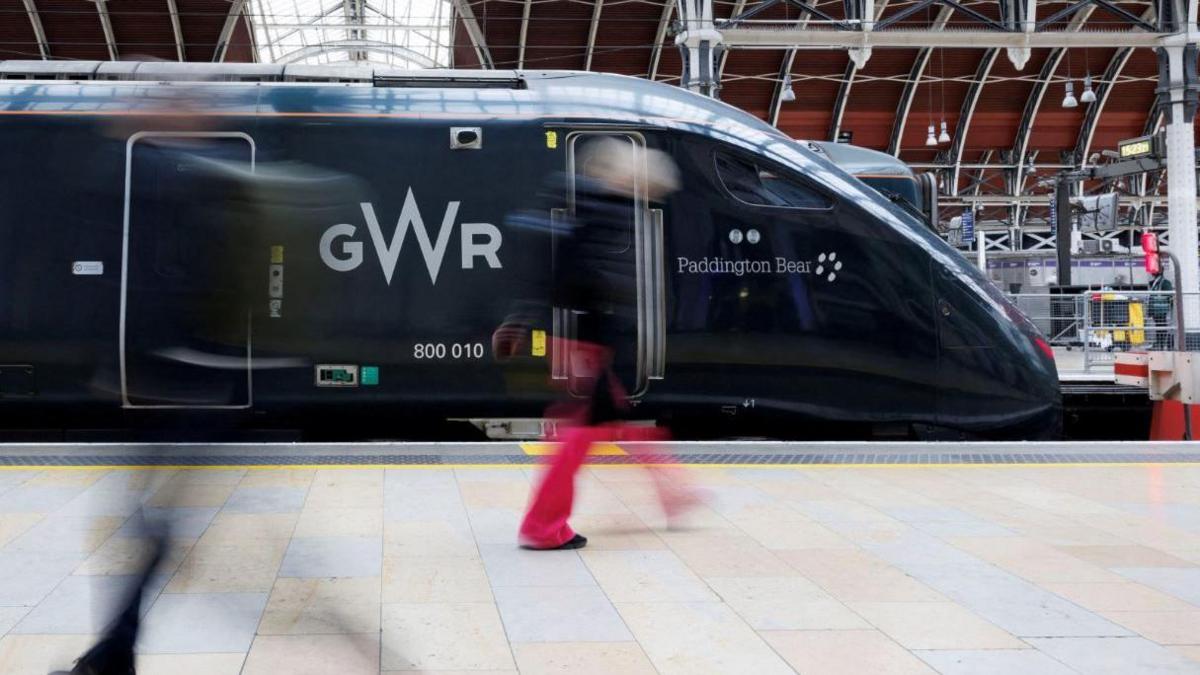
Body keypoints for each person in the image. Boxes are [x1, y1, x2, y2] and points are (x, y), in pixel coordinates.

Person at [497, 138, 701, 551]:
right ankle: (543, 526)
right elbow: (585, 280)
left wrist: (521, 321)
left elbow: (550, 274)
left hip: (584, 340)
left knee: (609, 422)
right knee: (580, 433)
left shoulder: (581, 202)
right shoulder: (610, 210)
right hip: (590, 340)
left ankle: (676, 492)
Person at [1149, 269, 1174, 350]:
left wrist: (1169, 307)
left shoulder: (1165, 283)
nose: (1152, 273)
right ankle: (1160, 343)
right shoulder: (1155, 282)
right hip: (1157, 309)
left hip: (1161, 309)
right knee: (1159, 326)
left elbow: (1170, 296)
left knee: (1161, 326)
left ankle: (1162, 344)